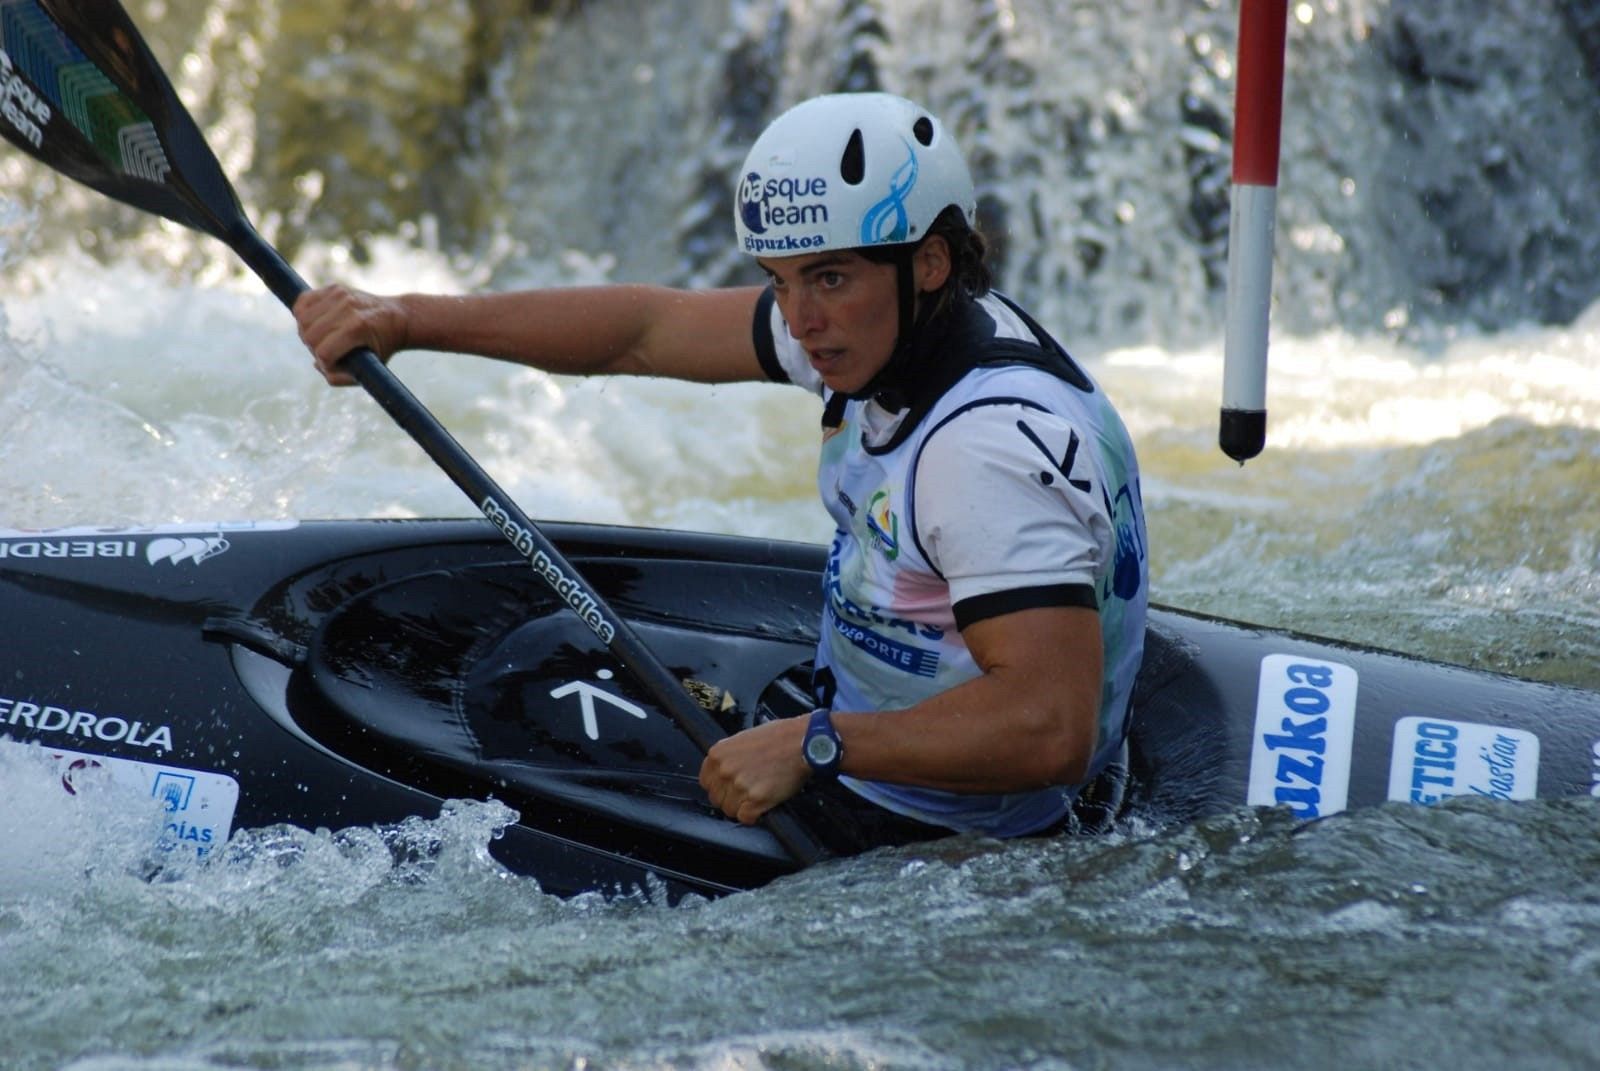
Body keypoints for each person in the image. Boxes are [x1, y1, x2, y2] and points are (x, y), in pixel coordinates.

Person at [294, 92, 1149, 845]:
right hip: (872, 732)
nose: (799, 320)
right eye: (779, 280)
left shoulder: (983, 451)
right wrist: (406, 319)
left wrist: (819, 743)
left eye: (828, 279)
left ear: (930, 260)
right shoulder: (897, 325)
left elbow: (1049, 726)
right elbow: (644, 332)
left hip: (940, 826)